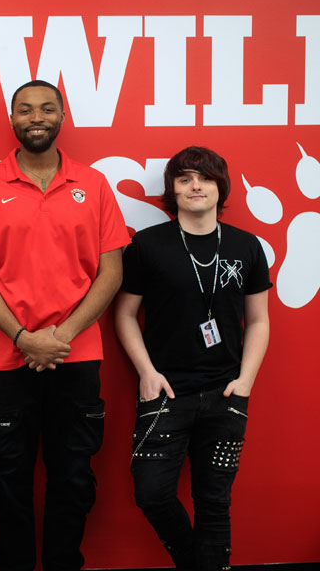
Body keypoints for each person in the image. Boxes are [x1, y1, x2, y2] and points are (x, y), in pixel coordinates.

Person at [0, 80, 129, 570]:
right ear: (12, 119)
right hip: (5, 359)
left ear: (62, 117)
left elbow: (111, 273)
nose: (36, 117)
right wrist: (24, 338)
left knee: (74, 478)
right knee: (8, 480)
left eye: (47, 108)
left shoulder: (93, 184)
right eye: (26, 109)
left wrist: (60, 337)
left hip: (76, 357)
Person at [114, 146, 270, 570]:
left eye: (204, 178)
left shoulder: (246, 245)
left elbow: (258, 321)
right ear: (173, 190)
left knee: (214, 503)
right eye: (184, 179)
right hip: (165, 392)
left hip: (226, 393)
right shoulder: (147, 245)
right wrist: (146, 372)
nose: (195, 186)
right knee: (152, 494)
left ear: (221, 187)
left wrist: (245, 382)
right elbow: (124, 314)